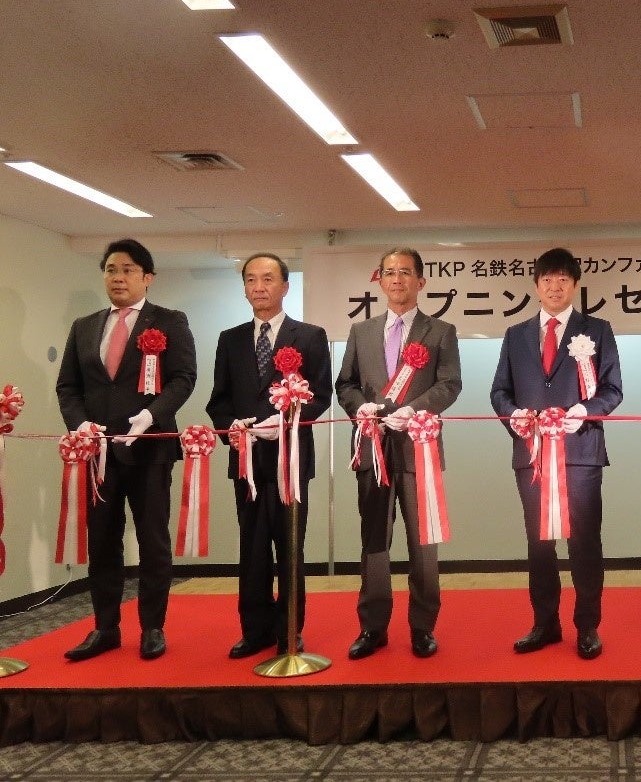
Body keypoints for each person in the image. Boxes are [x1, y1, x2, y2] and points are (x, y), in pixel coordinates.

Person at [55, 238, 197, 661]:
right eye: (111, 270)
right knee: (102, 541)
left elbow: (183, 378)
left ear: (147, 277)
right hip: (98, 452)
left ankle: (152, 627)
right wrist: (80, 426)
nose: (118, 278)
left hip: (149, 448)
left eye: (128, 270)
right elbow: (68, 386)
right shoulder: (84, 326)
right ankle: (105, 627)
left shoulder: (169, 321)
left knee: (153, 540)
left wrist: (150, 416)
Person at [489, 247, 623, 660]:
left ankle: (588, 626)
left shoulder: (597, 330)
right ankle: (545, 623)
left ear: (575, 285)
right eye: (547, 279)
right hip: (532, 455)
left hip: (581, 452)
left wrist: (585, 411)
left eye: (563, 279)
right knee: (539, 544)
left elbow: (612, 389)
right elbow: (499, 391)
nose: (554, 286)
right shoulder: (516, 335)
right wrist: (514, 416)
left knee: (584, 542)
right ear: (536, 286)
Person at [335, 247, 462, 660]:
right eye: (389, 272)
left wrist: (414, 410)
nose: (396, 279)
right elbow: (345, 384)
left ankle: (423, 627)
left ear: (420, 281)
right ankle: (373, 627)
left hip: (418, 448)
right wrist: (360, 409)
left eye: (405, 272)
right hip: (372, 448)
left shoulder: (440, 331)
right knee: (374, 539)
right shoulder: (361, 331)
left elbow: (449, 384)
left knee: (423, 543)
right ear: (380, 280)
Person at [206, 253, 332, 658]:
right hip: (246, 460)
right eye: (250, 279)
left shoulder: (309, 336)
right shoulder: (230, 339)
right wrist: (233, 428)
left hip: (290, 462)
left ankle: (289, 629)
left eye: (267, 279)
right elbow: (218, 401)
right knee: (252, 547)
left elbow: (321, 396)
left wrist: (288, 420)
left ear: (285, 286)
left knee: (290, 547)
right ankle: (255, 629)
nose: (258, 287)